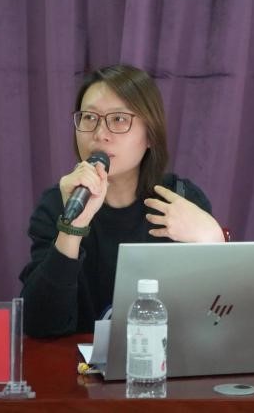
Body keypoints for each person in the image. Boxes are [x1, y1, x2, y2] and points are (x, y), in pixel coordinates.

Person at [19, 65, 225, 338]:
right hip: (77, 363)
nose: (100, 134)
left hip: (163, 359)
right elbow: (40, 326)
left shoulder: (183, 200)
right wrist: (72, 228)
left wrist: (213, 238)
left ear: (150, 135)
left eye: (118, 119)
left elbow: (218, 319)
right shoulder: (59, 203)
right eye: (89, 117)